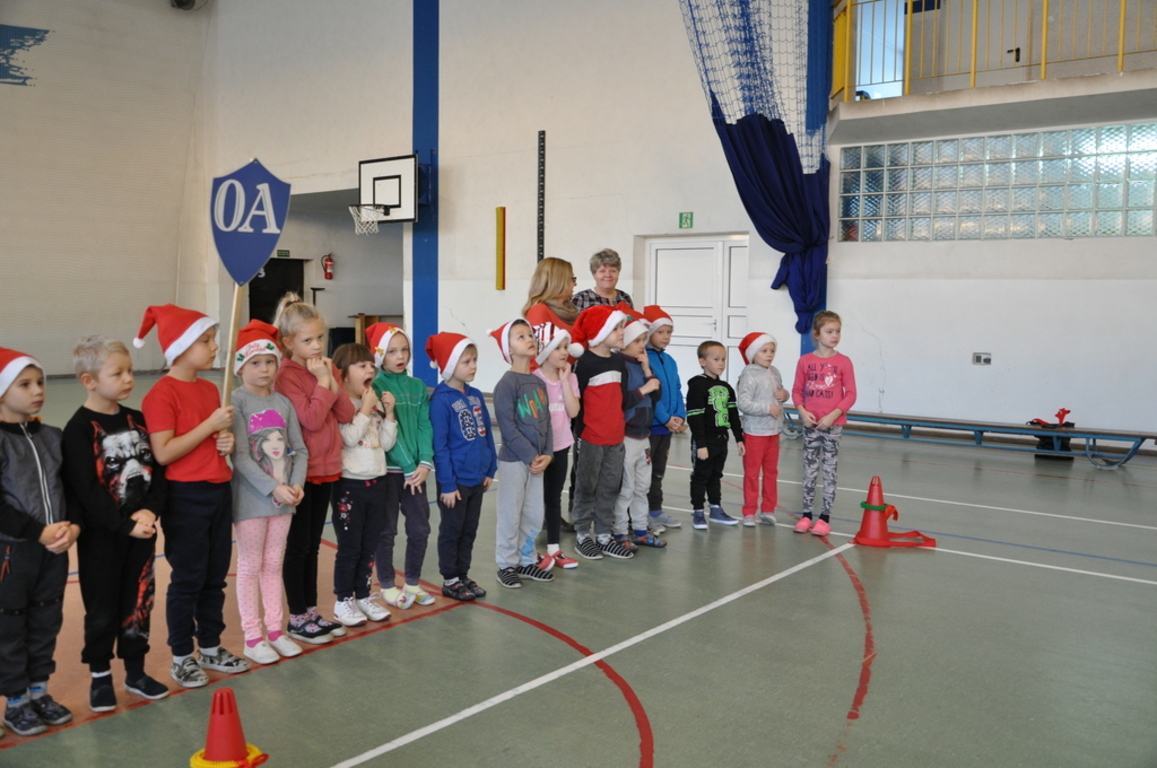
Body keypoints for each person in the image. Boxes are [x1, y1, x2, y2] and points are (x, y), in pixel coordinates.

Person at [136, 304, 249, 688]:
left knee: (215, 578)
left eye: (213, 339)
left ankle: (211, 646)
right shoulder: (161, 394)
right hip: (186, 498)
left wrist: (226, 441)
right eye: (206, 340)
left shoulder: (210, 389)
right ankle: (182, 656)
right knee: (188, 579)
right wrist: (209, 426)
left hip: (219, 492)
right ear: (180, 347)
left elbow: (214, 441)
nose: (215, 346)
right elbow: (164, 452)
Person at [64, 336, 169, 713]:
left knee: (139, 602)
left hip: (142, 534)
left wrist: (151, 512)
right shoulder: (78, 429)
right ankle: (100, 676)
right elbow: (86, 491)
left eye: (129, 371)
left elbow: (159, 472)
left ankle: (135, 672)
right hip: (102, 540)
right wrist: (124, 525)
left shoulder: (138, 420)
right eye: (118, 373)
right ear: (89, 381)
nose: (128, 379)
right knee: (102, 608)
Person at [0, 348, 79, 737]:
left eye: (40, 383)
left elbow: (72, 489)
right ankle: (16, 700)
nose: (38, 391)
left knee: (46, 619)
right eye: (25, 384)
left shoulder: (52, 436)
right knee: (10, 624)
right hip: (13, 552)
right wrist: (36, 532)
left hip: (54, 551)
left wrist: (72, 528)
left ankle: (39, 691)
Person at [272, 294, 351, 644]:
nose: (317, 346)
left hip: (328, 468)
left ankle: (312, 612)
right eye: (307, 340)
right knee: (298, 546)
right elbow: (312, 419)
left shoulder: (325, 368)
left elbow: (346, 413)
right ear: (289, 342)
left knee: (314, 545)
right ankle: (297, 617)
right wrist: (322, 383)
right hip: (300, 473)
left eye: (320, 337)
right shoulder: (286, 376)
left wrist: (330, 379)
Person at [229, 320, 309, 664]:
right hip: (252, 502)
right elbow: (240, 456)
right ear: (240, 367)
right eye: (255, 363)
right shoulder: (236, 401)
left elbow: (299, 450)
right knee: (250, 566)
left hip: (284, 502)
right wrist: (274, 487)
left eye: (270, 362)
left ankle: (276, 631)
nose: (264, 369)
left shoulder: (283, 403)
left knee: (274, 565)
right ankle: (253, 637)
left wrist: (296, 484)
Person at [569, 306, 658, 560]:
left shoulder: (619, 362)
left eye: (621, 327)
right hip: (591, 438)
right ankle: (583, 535)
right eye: (616, 328)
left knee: (609, 488)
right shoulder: (584, 363)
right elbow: (577, 404)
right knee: (587, 487)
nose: (622, 333)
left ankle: (604, 535)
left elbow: (621, 400)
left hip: (615, 437)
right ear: (600, 332)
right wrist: (580, 434)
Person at [368, 323, 436, 608]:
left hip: (416, 474)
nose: (400, 356)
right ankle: (386, 584)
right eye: (392, 351)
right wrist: (408, 465)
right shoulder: (375, 386)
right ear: (380, 355)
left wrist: (425, 462)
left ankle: (412, 583)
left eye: (404, 350)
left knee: (420, 529)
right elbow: (385, 430)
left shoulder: (417, 386)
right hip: (389, 472)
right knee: (386, 531)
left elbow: (424, 426)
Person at [331, 343, 397, 625]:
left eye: (371, 365)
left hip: (377, 484)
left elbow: (385, 444)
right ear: (343, 374)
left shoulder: (374, 404)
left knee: (369, 545)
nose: (370, 369)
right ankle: (343, 600)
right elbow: (347, 438)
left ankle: (362, 595)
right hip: (350, 487)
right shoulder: (340, 405)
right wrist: (365, 409)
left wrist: (389, 414)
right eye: (362, 366)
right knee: (350, 547)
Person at [428, 333, 497, 600]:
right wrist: (446, 484)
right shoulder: (441, 400)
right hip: (455, 483)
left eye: (474, 360)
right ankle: (451, 579)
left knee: (469, 530)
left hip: (477, 478)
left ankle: (463, 574)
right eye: (466, 361)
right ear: (450, 364)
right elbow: (440, 446)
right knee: (452, 531)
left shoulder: (476, 395)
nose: (473, 366)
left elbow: (486, 434)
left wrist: (490, 469)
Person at [490, 320, 554, 588]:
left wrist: (547, 454)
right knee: (510, 515)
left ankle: (527, 560)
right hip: (515, 462)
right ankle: (506, 564)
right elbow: (507, 428)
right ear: (509, 349)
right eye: (520, 336)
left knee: (533, 514)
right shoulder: (506, 384)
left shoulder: (538, 383)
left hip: (537, 462)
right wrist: (531, 456)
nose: (529, 339)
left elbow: (547, 423)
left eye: (530, 335)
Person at [791, 311, 857, 538]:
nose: (835, 335)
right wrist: (802, 411)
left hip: (833, 426)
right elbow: (797, 391)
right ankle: (806, 515)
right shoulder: (805, 361)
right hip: (810, 426)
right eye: (829, 331)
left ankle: (824, 518)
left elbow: (851, 394)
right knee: (809, 471)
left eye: (838, 331)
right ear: (817, 334)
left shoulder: (844, 362)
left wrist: (833, 415)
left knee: (829, 471)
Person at [612, 313, 665, 549]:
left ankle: (641, 529)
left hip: (644, 435)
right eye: (636, 341)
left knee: (643, 486)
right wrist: (644, 388)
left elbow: (658, 394)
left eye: (644, 340)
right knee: (626, 488)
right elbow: (620, 400)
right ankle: (620, 532)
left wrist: (646, 370)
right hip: (627, 435)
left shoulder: (642, 365)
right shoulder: (620, 366)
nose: (641, 345)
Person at [532, 324, 580, 570]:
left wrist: (564, 383)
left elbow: (574, 411)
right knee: (532, 500)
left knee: (553, 498)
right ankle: (528, 549)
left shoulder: (570, 378)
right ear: (544, 351)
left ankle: (553, 548)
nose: (564, 352)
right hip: (539, 450)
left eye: (565, 347)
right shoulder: (533, 380)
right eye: (558, 348)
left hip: (561, 447)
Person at [685, 341, 745, 530]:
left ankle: (716, 509)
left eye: (723, 359)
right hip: (705, 441)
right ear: (702, 361)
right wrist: (701, 444)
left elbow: (733, 415)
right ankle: (698, 512)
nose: (721, 363)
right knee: (700, 475)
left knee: (715, 475)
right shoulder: (697, 385)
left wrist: (739, 438)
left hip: (721, 440)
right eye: (716, 359)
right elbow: (695, 417)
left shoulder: (726, 387)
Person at [736, 332, 789, 528]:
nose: (769, 355)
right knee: (752, 474)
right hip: (754, 433)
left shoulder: (774, 371)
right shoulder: (749, 374)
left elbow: (780, 393)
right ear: (753, 353)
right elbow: (743, 403)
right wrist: (767, 409)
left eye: (772, 351)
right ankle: (749, 512)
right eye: (764, 351)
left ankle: (768, 510)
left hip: (773, 432)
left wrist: (785, 394)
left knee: (771, 472)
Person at [642, 305, 686, 531]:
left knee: (658, 471)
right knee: (645, 472)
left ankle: (655, 510)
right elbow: (652, 395)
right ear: (649, 332)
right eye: (661, 332)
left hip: (667, 427)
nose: (666, 336)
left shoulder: (670, 360)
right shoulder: (644, 360)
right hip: (653, 425)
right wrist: (665, 418)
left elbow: (677, 389)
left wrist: (679, 416)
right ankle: (641, 513)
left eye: (669, 332)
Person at [524, 256, 580, 340]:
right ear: (558, 281)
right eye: (572, 279)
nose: (575, 284)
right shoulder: (539, 311)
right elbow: (542, 346)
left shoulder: (572, 311)